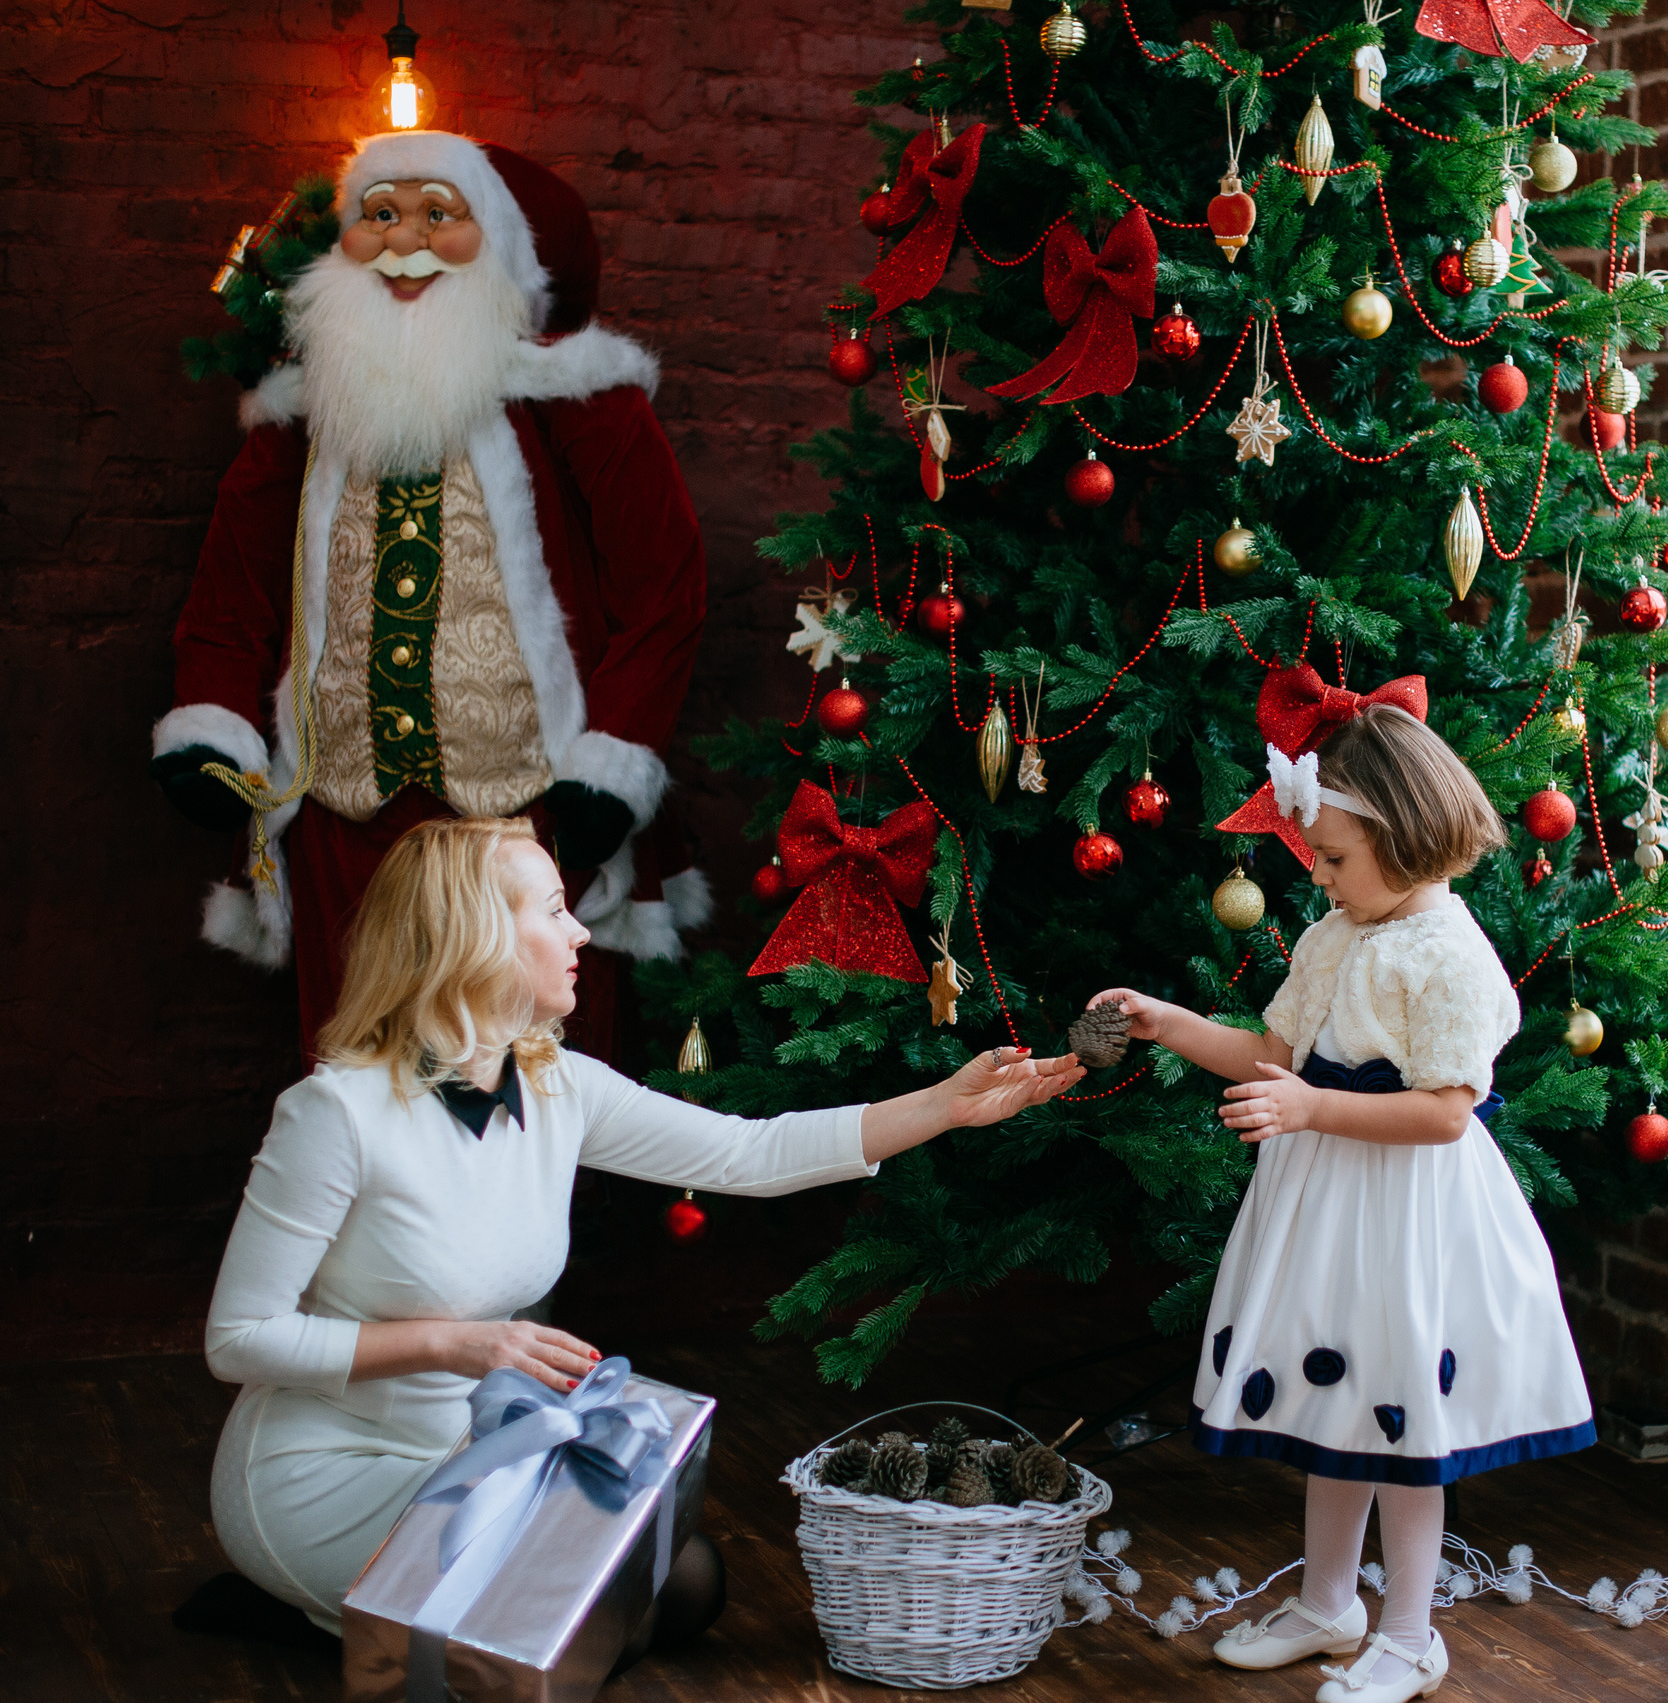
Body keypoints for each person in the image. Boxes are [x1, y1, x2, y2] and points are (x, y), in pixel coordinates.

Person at [188, 814, 1083, 1647]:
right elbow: (239, 1340)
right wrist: (453, 1343)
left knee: (690, 1583)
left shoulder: (557, 1084)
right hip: (322, 1472)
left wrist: (942, 1105)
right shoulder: (334, 1113)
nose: (580, 933)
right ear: (475, 937)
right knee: (572, 1613)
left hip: (470, 1457)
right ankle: (320, 1599)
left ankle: (360, 1622)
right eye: (551, 910)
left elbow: (751, 1154)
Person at [153, 131, 710, 1061]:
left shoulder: (577, 397)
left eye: (435, 215)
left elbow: (665, 587)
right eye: (379, 214)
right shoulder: (305, 410)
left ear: (495, 238)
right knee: (362, 1080)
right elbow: (233, 589)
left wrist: (612, 758)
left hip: (527, 822)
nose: (403, 239)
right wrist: (211, 722)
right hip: (346, 821)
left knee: (525, 1082)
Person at [1092, 707, 1594, 1703]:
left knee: (1400, 1416)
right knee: (1339, 1398)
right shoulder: (1335, 933)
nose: (1316, 874)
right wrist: (1170, 1022)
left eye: (1332, 855)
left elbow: (1448, 1113)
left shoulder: (1446, 953)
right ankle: (1330, 1601)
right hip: (1327, 1204)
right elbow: (1268, 1054)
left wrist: (1311, 1105)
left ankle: (1411, 1634)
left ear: (1404, 837)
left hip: (1407, 1214)